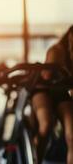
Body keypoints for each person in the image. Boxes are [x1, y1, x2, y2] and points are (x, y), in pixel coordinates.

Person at [32, 26, 73, 163]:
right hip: (42, 89)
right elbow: (47, 75)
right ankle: (36, 159)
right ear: (69, 37)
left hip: (59, 91)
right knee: (46, 124)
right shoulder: (56, 50)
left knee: (71, 134)